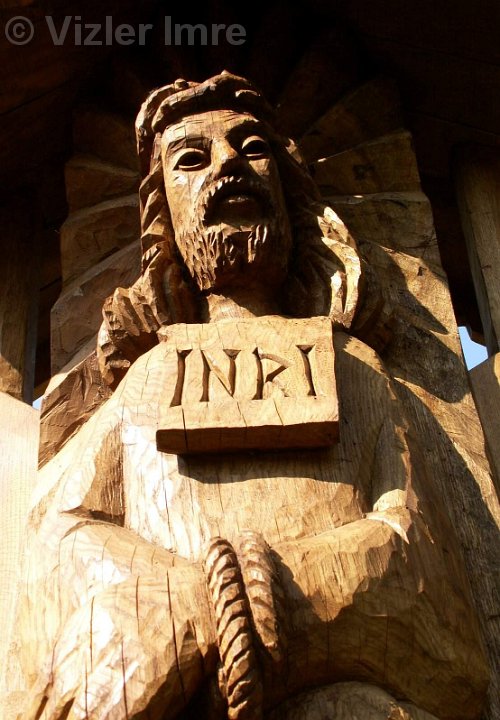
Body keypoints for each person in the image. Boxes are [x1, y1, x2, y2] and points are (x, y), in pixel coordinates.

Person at [17, 72, 488, 720]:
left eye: (253, 149)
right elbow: (64, 535)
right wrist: (194, 601)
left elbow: (424, 557)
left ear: (291, 200)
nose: (228, 166)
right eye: (192, 159)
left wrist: (272, 597)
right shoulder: (144, 382)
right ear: (163, 220)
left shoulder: (354, 368)